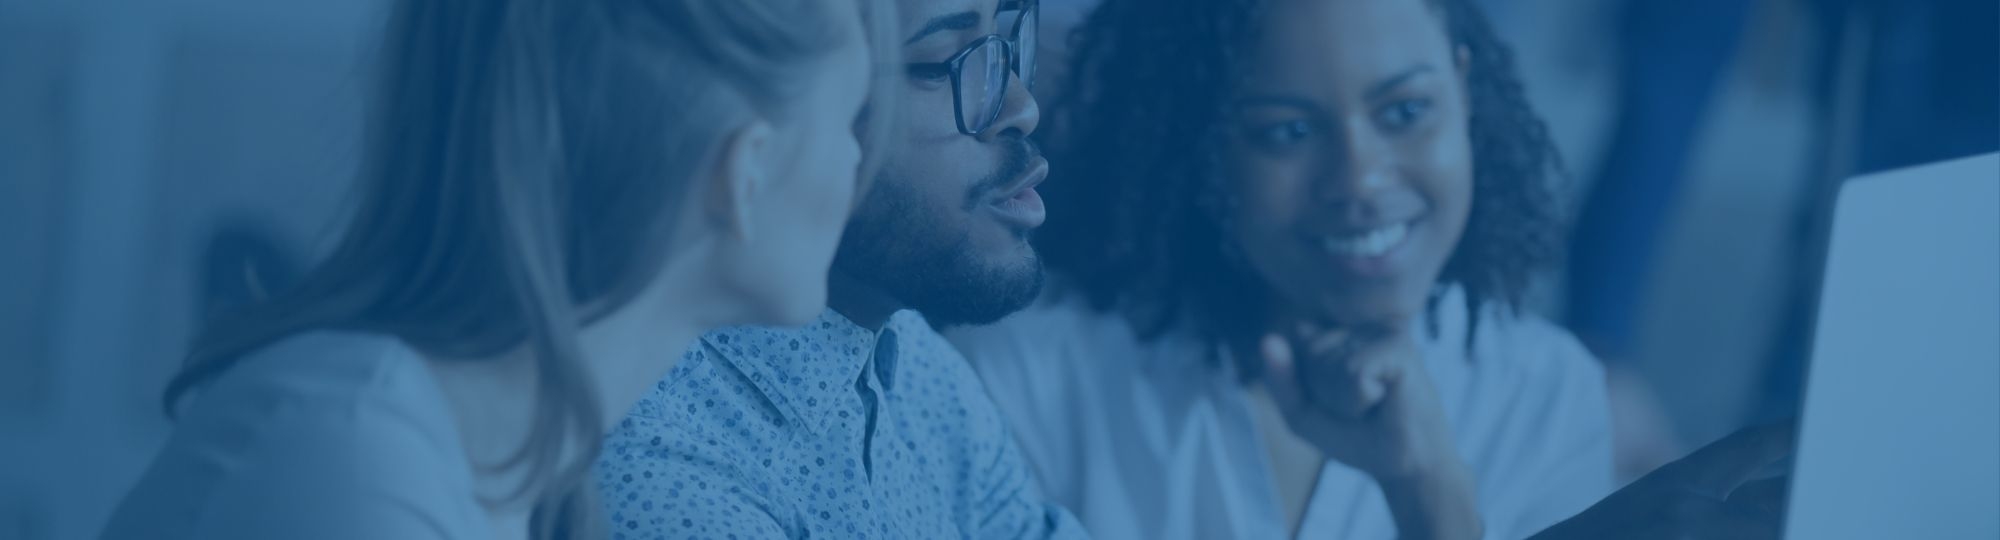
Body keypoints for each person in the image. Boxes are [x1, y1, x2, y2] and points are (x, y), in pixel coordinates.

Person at [951, 0, 1788, 538]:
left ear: (1463, 92)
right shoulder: (1031, 380)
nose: (1361, 179)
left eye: (1406, 112)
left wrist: (1430, 489)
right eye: (1286, 132)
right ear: (1202, 148)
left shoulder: (1543, 391)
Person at [97, 0, 898, 537]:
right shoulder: (357, 459)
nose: (860, 160)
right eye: (848, 118)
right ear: (745, 171)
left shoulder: (501, 470)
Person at [589, 0, 1089, 537]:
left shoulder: (917, 364)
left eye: (1006, 42)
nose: (1022, 105)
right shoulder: (667, 479)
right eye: (939, 61)